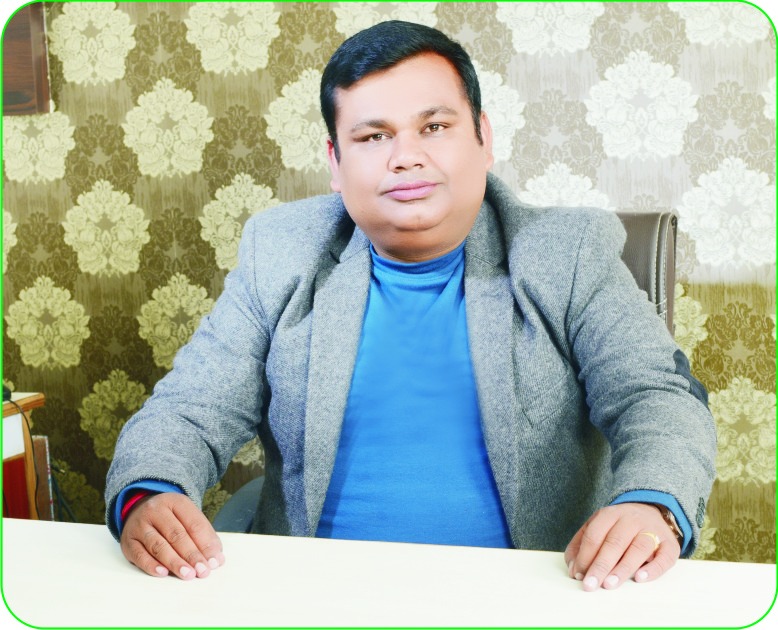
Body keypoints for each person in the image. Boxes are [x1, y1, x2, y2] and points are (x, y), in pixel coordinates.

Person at [105, 21, 716, 592]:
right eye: (373, 137)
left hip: (529, 594)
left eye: (435, 127)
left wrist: (652, 501)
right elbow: (190, 409)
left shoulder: (566, 252)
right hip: (313, 594)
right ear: (335, 163)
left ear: (484, 138)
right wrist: (149, 491)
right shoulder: (282, 250)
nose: (405, 157)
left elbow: (655, 397)